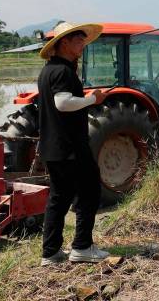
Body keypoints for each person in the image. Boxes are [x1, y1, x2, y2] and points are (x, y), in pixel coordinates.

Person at [38, 22, 110, 266]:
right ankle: (82, 247)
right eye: (78, 41)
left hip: (51, 147)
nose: (82, 45)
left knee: (59, 197)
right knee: (90, 190)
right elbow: (63, 103)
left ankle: (50, 252)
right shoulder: (63, 72)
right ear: (64, 43)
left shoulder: (48, 70)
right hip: (70, 147)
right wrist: (92, 99)